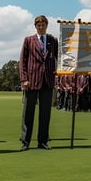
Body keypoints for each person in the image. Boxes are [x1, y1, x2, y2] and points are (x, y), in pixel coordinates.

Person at [19, 15, 58, 151]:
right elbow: (22, 61)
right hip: (31, 81)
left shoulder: (53, 41)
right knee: (28, 112)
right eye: (38, 25)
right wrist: (24, 79)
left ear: (47, 25)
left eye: (43, 25)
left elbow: (59, 57)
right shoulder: (28, 40)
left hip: (47, 81)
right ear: (35, 26)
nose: (41, 27)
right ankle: (25, 141)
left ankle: (43, 141)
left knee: (45, 113)